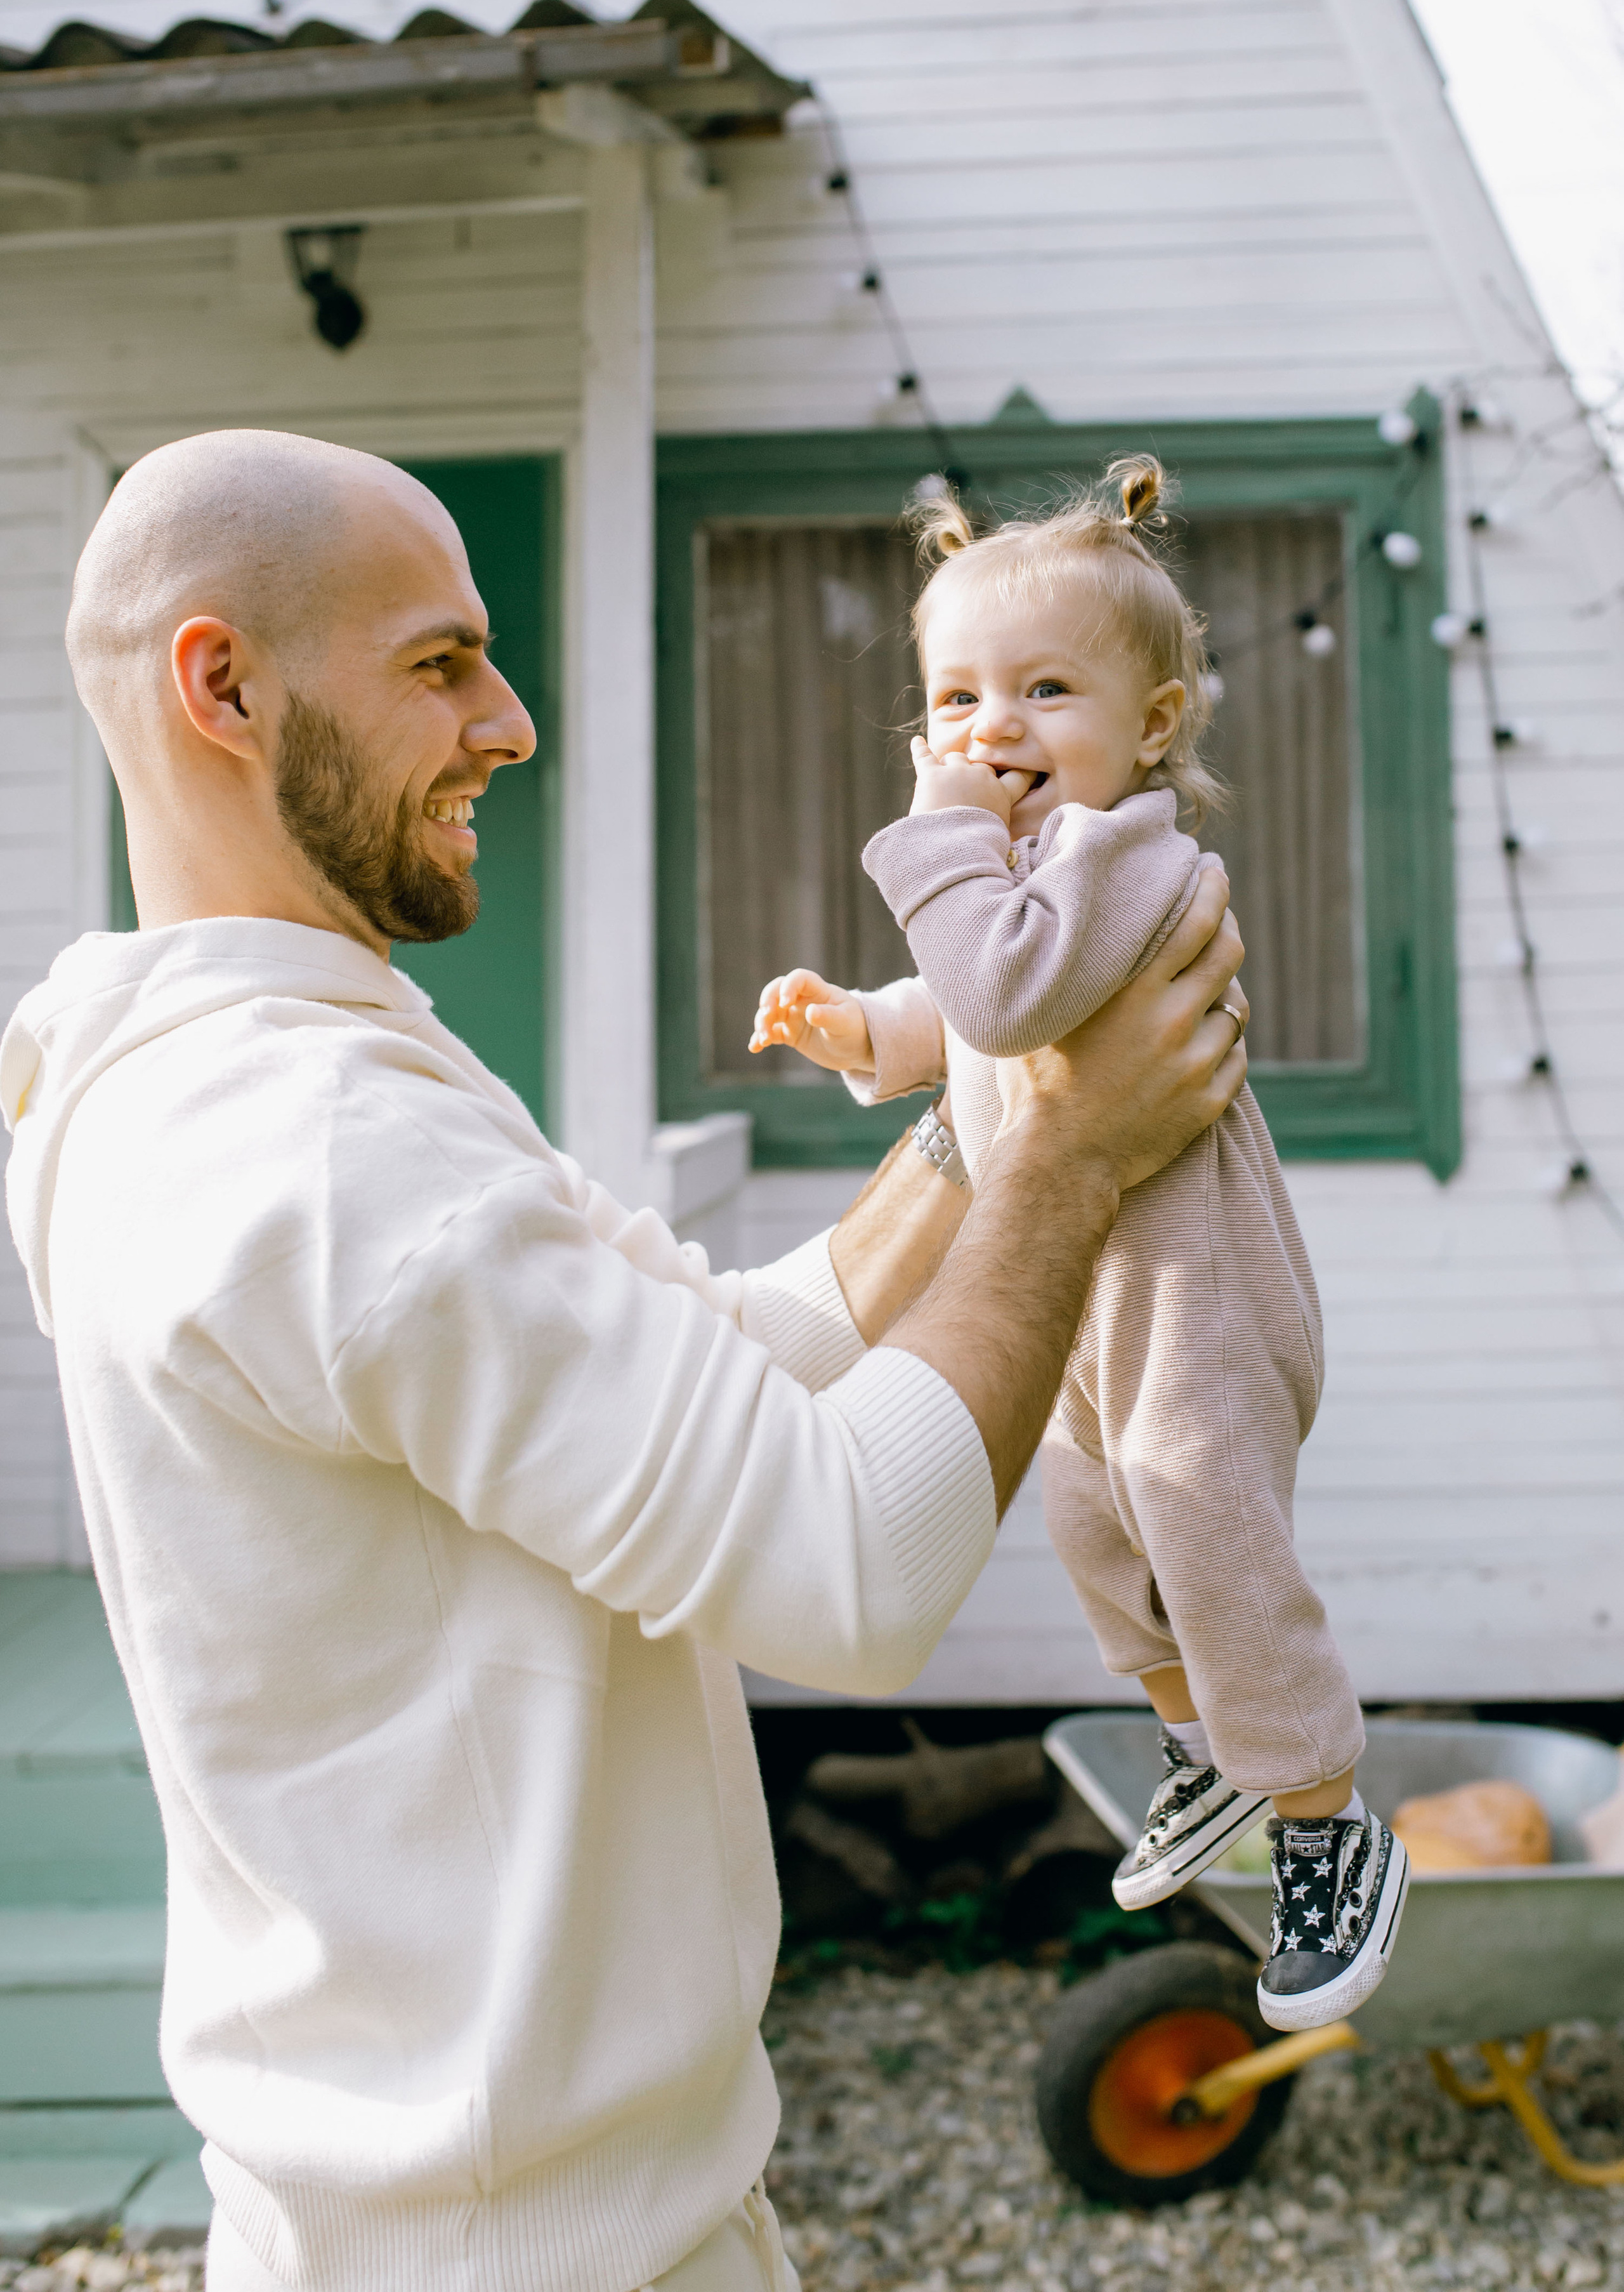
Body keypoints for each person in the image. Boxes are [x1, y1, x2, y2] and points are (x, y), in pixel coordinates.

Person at [1, 430, 1249, 2292]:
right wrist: (1071, 1161)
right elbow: (846, 1567)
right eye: (440, 663)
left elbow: (713, 1357)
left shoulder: (215, 1074)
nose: (509, 723)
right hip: (523, 2249)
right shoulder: (320, 1149)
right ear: (225, 688)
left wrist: (984, 1116)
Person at [749, 461, 1408, 2034]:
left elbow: (1003, 991)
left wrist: (932, 838)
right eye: (957, 697)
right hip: (1094, 1305)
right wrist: (867, 1031)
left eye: (1045, 690)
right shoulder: (1030, 887)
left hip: (1193, 1300)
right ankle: (1199, 1751)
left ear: (1153, 725)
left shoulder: (1131, 858)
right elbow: (968, 1015)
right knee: (1094, 1523)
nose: (995, 728)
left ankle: (1326, 1822)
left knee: (1207, 1535)